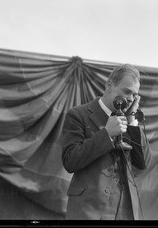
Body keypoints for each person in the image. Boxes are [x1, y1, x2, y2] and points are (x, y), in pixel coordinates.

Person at [61, 64, 151, 220]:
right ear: (109, 84)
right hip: (89, 211)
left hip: (126, 211)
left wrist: (132, 122)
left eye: (134, 95)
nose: (130, 99)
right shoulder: (78, 115)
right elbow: (70, 161)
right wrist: (107, 134)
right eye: (126, 91)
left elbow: (143, 163)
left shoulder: (129, 122)